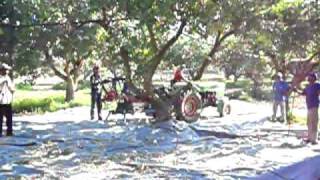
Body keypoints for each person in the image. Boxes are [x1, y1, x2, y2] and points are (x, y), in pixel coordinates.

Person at [295, 73, 320, 145]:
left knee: (314, 123)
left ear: (314, 78)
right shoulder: (308, 86)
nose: (308, 78)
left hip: (314, 106)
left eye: (310, 77)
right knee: (309, 123)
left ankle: (314, 139)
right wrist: (296, 90)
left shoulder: (317, 85)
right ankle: (309, 138)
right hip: (308, 106)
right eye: (308, 77)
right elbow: (303, 93)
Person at [0, 63, 15, 137]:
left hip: (7, 101)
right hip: (1, 102)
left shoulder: (8, 78)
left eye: (7, 70)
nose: (6, 71)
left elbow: (11, 87)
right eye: (5, 70)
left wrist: (12, 89)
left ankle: (9, 132)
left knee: (9, 118)